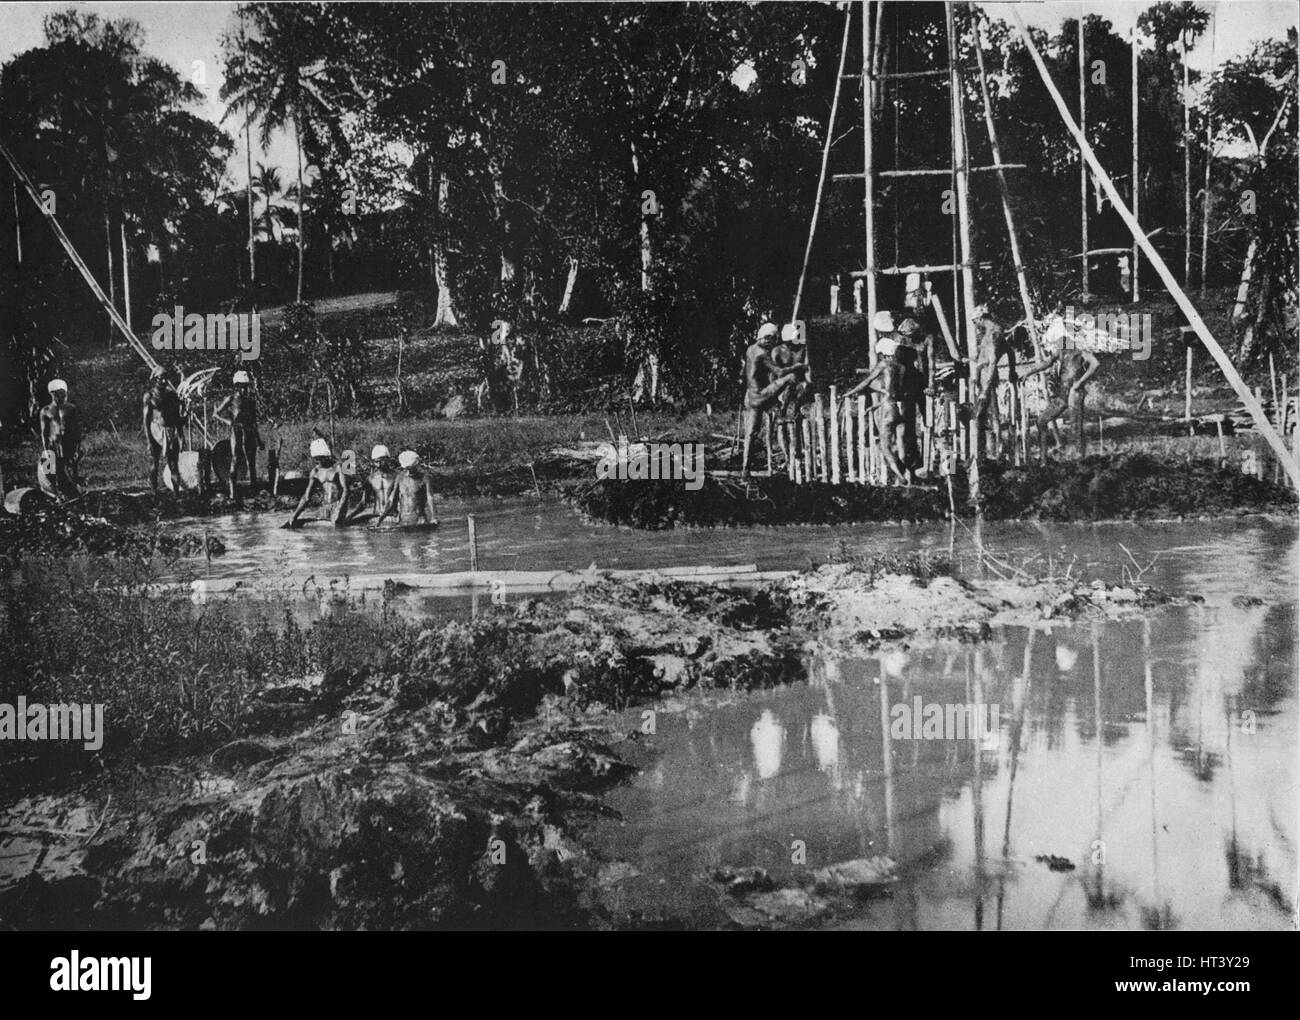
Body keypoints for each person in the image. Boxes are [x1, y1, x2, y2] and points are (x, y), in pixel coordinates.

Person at [846, 313, 911, 485]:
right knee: (902, 443)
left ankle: (900, 475)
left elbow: (866, 382)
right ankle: (906, 474)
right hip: (901, 407)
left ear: (882, 353)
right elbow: (894, 389)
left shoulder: (883, 365)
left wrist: (850, 392)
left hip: (888, 407)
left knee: (885, 446)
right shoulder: (902, 367)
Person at [1019, 326, 1100, 463]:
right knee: (1041, 421)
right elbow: (1046, 363)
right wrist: (1029, 372)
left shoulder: (1081, 351)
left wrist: (1080, 382)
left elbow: (1095, 364)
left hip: (1075, 393)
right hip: (1062, 393)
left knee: (1076, 428)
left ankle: (1080, 461)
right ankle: (1043, 460)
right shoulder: (1061, 351)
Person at [741, 322, 805, 476]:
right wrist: (798, 366)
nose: (774, 343)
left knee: (751, 433)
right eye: (773, 340)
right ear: (766, 338)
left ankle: (745, 468)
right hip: (760, 395)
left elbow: (746, 373)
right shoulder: (762, 353)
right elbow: (779, 372)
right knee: (790, 377)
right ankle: (789, 408)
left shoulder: (750, 349)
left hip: (751, 395)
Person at [214, 370, 262, 497]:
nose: (245, 390)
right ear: (237, 386)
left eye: (246, 387)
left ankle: (254, 491)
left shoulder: (251, 401)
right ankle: (232, 492)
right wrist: (228, 421)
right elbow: (216, 413)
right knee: (235, 459)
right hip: (237, 431)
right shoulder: (231, 399)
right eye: (242, 387)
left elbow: (253, 422)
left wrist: (259, 440)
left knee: (251, 461)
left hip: (249, 431)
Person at [285, 438, 351, 527]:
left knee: (335, 528)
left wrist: (339, 510)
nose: (317, 461)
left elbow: (346, 490)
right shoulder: (315, 471)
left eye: (319, 458)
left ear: (325, 456)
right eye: (315, 458)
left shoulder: (338, 468)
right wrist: (295, 515)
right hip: (325, 507)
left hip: (338, 506)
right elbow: (306, 497)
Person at [142, 366, 184, 493]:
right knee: (154, 463)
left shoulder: (172, 395)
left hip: (170, 431)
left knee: (173, 465)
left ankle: (176, 494)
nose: (165, 381)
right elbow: (146, 420)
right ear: (155, 379)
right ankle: (154, 493)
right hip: (155, 430)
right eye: (161, 378)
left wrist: (180, 435)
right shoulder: (149, 396)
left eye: (166, 378)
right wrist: (149, 441)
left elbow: (177, 417)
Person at [373, 450, 439, 527]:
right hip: (403, 520)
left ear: (415, 465)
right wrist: (380, 519)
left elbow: (430, 499)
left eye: (409, 468)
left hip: (419, 521)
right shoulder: (400, 477)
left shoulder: (424, 478)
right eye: (405, 468)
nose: (407, 471)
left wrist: (434, 517)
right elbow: (391, 500)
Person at [39, 379, 81, 496]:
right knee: (52, 471)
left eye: (63, 392)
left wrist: (77, 448)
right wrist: (45, 449)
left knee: (71, 468)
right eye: (58, 393)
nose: (62, 395)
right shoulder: (45, 411)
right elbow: (44, 432)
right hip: (53, 444)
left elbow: (76, 431)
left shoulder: (71, 408)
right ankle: (55, 494)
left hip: (68, 443)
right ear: (52, 394)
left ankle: (74, 492)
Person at [366, 444, 399, 516]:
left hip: (392, 515)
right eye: (376, 462)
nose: (378, 464)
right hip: (376, 515)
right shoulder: (370, 478)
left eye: (380, 461)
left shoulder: (397, 476)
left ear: (387, 459)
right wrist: (350, 516)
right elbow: (363, 502)